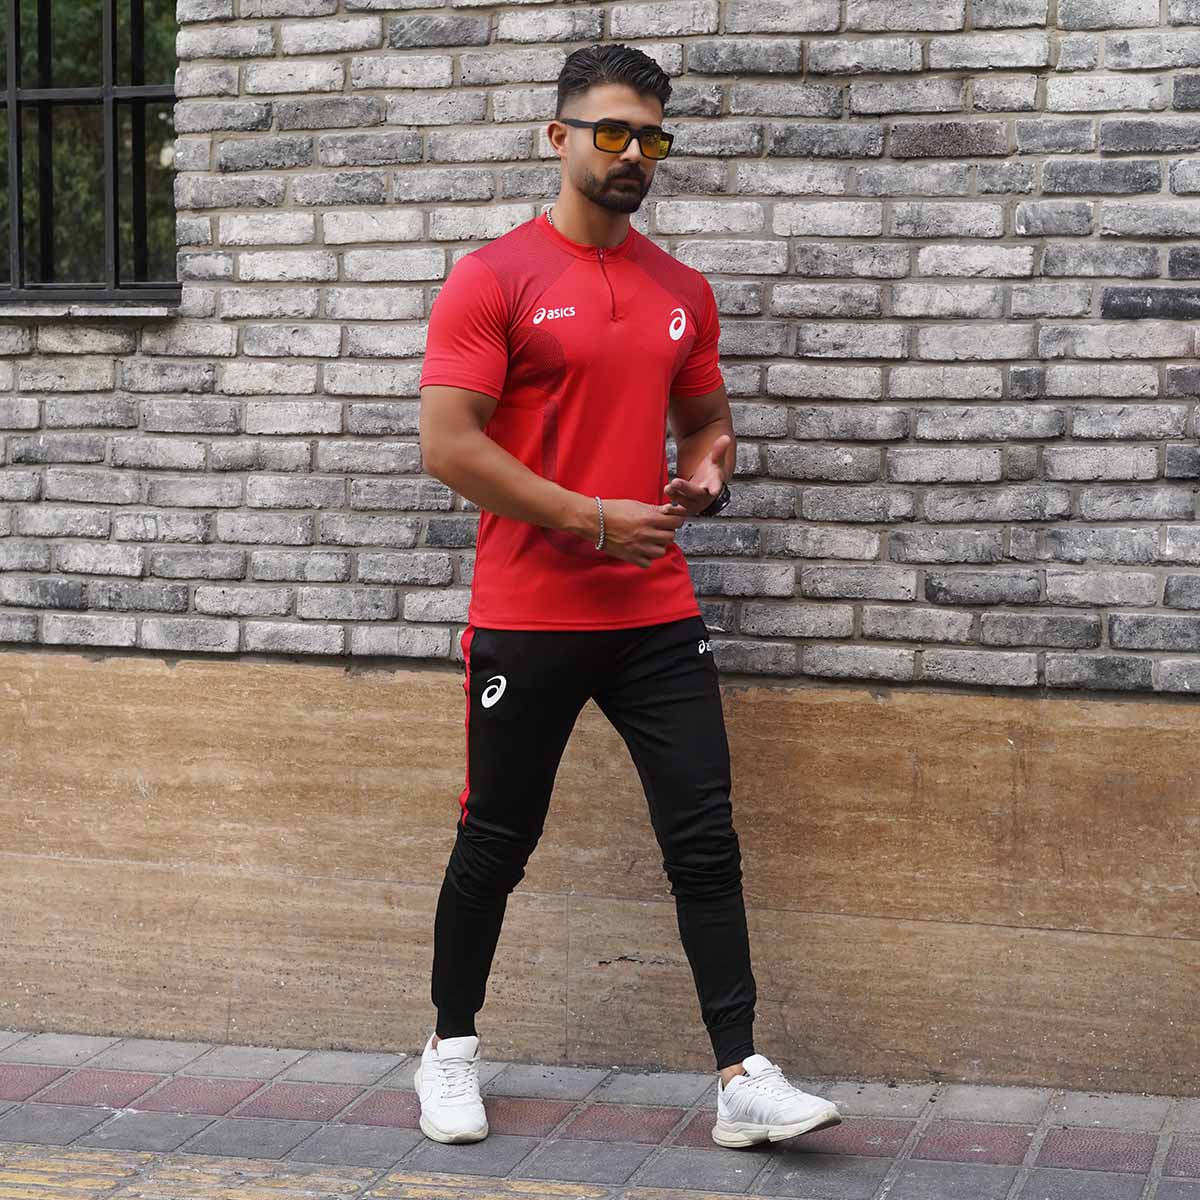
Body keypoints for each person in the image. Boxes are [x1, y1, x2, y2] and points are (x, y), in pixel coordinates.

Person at [414, 42, 842, 1151]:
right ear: (557, 137)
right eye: (612, 132)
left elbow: (707, 423)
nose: (633, 154)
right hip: (530, 615)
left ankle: (740, 1076)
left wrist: (706, 474)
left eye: (652, 137)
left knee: (705, 840)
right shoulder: (492, 278)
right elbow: (449, 445)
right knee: (497, 839)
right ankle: (450, 1049)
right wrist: (591, 517)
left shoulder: (680, 290)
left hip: (655, 614)